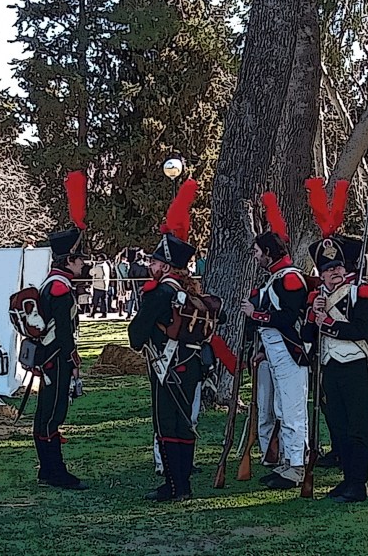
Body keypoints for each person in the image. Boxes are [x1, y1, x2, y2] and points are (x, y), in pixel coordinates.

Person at [129, 179, 207, 502]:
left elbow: (136, 333)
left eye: (155, 262)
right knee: (184, 424)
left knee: (167, 425)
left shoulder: (161, 291)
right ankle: (183, 484)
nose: (151, 266)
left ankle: (174, 486)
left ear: (166, 266)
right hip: (190, 364)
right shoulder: (189, 289)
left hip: (167, 365)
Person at [302, 236, 368, 504]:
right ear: (321, 274)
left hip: (354, 366)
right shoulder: (318, 298)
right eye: (328, 269)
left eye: (338, 267)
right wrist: (313, 315)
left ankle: (358, 484)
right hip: (329, 369)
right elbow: (307, 336)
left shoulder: (358, 293)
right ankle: (347, 478)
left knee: (358, 427)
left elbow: (361, 329)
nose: (334, 272)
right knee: (338, 427)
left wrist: (329, 322)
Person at [32, 174, 89, 491]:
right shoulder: (60, 288)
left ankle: (48, 468)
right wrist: (72, 359)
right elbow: (65, 333)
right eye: (80, 259)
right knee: (53, 415)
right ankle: (54, 471)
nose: (83, 264)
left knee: (47, 414)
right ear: (69, 260)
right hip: (55, 358)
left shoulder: (54, 283)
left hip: (49, 356)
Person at [241, 230, 310, 490]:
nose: (256, 257)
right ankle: (288, 460)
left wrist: (256, 315)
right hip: (276, 353)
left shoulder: (290, 278)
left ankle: (298, 466)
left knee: (293, 411)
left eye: (258, 252)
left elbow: (289, 317)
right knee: (282, 409)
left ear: (268, 252)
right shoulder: (276, 277)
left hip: (291, 353)